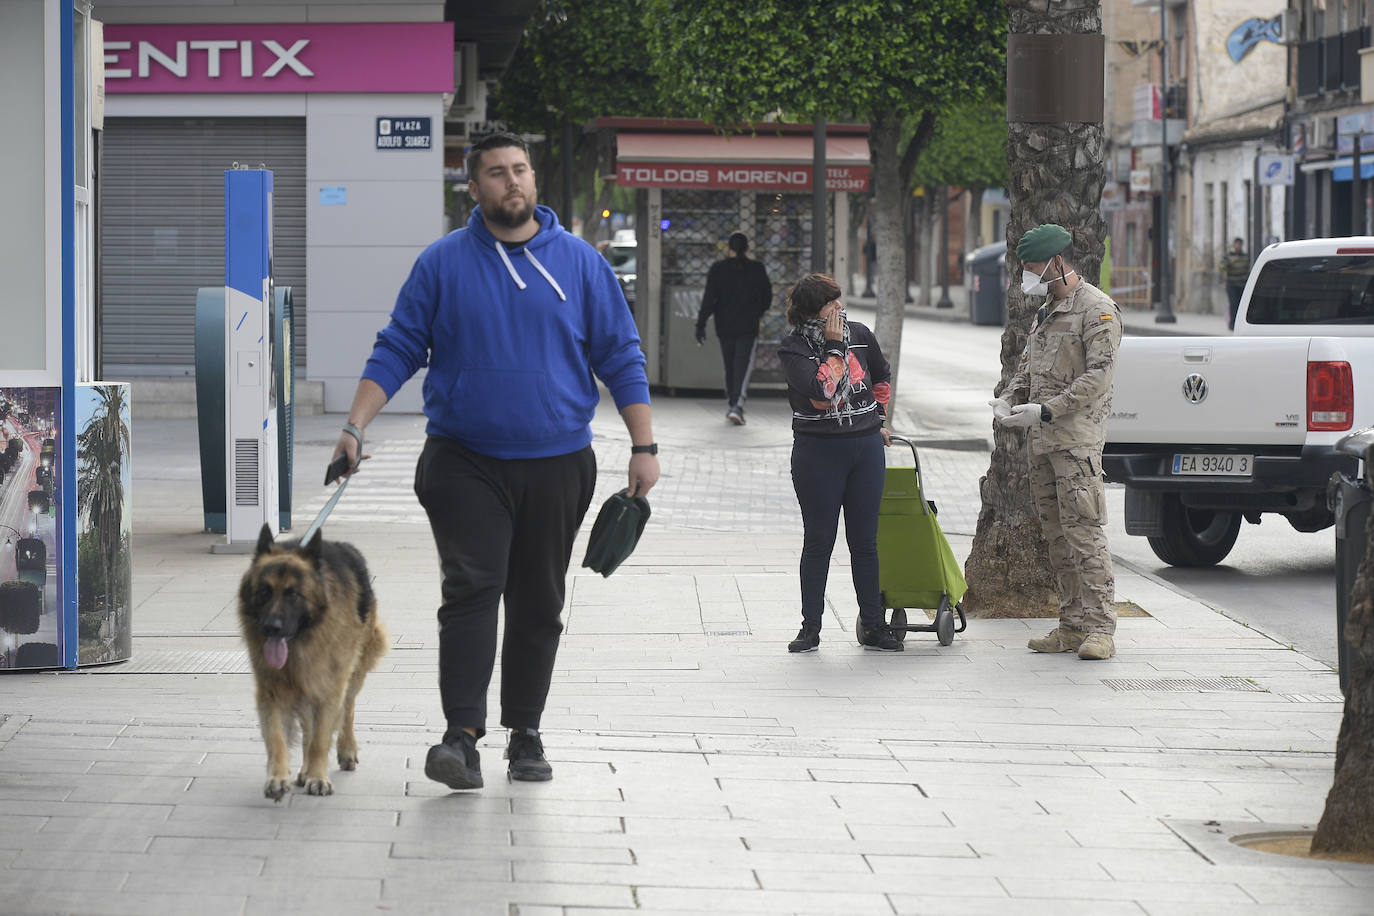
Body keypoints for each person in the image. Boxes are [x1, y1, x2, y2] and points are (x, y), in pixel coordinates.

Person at [330, 132, 660, 790]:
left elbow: (621, 354)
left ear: (533, 179)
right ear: (473, 188)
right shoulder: (443, 263)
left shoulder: (581, 264)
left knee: (539, 600)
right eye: (496, 174)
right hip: (464, 460)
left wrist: (644, 446)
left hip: (558, 459)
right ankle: (461, 736)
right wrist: (354, 427)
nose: (512, 182)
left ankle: (526, 732)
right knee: (472, 589)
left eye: (520, 170)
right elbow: (398, 346)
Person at [990, 224, 1122, 661]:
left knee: (1084, 534)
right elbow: (1029, 370)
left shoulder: (1097, 311)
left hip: (1075, 443)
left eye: (1032, 269)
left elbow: (1098, 378)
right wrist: (1008, 399)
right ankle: (1071, 625)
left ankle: (1101, 628)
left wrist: (1047, 410)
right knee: (1056, 537)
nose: (1027, 278)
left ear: (1057, 263)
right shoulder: (1045, 312)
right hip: (1042, 443)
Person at [777, 273, 899, 654]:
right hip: (818, 453)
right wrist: (833, 347)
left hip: (864, 449)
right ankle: (810, 626)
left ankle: (874, 625)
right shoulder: (794, 348)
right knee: (819, 541)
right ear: (814, 311)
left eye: (839, 301)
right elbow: (822, 389)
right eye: (832, 304)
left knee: (865, 542)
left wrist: (879, 418)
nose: (840, 310)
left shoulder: (860, 333)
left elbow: (880, 375)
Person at [695, 233, 773, 425]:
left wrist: (701, 324)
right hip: (748, 326)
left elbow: (709, 299)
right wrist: (757, 312)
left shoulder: (718, 269)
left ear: (728, 248)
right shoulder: (757, 269)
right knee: (742, 365)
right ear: (747, 248)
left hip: (724, 326)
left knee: (729, 365)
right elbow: (767, 297)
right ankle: (737, 405)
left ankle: (732, 402)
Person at [1221, 237, 1250, 330]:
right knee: (1233, 304)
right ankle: (1232, 323)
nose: (1238, 246)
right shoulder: (1228, 256)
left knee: (1240, 305)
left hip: (1242, 285)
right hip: (1232, 285)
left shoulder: (1245, 256)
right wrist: (1230, 262)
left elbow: (1248, 269)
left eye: (1240, 244)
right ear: (1234, 245)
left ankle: (1240, 323)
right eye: (1236, 244)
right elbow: (1221, 267)